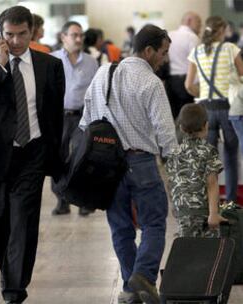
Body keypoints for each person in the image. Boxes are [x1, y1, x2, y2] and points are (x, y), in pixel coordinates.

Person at [0, 6, 65, 303]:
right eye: (10, 34)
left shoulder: (49, 65)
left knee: (23, 223)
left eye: (22, 34)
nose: (17, 41)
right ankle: (9, 268)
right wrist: (0, 66)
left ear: (32, 32)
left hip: (30, 154)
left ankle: (13, 290)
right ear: (1, 33)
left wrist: (55, 158)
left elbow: (54, 115)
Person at [80, 24, 177, 304]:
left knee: (120, 226)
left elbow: (86, 120)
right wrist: (174, 164)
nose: (165, 59)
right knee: (154, 223)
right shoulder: (150, 82)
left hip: (107, 164)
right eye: (163, 52)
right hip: (141, 161)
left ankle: (131, 288)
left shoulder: (103, 72)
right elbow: (165, 133)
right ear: (148, 51)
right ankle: (144, 276)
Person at [185, 16, 243, 204]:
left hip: (206, 111)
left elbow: (188, 85)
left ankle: (210, 203)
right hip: (228, 107)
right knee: (231, 157)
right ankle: (231, 201)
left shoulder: (196, 52)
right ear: (221, 31)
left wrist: (202, 94)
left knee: (208, 161)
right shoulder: (231, 49)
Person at [51, 21, 98, 216]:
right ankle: (62, 200)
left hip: (82, 117)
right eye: (74, 35)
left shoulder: (91, 62)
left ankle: (82, 200)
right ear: (63, 37)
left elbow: (97, 92)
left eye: (81, 35)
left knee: (82, 158)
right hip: (58, 117)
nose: (79, 39)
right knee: (58, 159)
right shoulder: (52, 60)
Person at [166, 104, 226, 238]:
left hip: (182, 211)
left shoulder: (173, 153)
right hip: (203, 211)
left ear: (181, 127)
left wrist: (176, 210)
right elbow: (212, 184)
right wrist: (214, 214)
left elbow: (171, 183)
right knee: (209, 252)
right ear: (206, 126)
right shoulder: (208, 151)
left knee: (188, 251)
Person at [167, 11, 201, 119]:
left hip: (169, 82)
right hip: (186, 82)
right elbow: (196, 63)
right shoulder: (193, 38)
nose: (201, 26)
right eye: (199, 22)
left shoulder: (169, 35)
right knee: (188, 119)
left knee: (173, 117)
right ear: (189, 20)